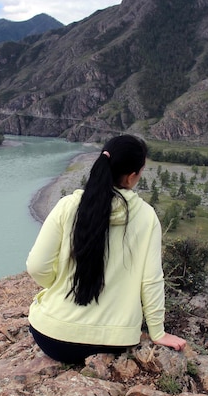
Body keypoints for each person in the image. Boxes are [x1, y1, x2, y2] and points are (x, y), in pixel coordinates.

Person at [26, 134, 186, 364]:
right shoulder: (146, 216)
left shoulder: (68, 205)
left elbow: (36, 266)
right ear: (132, 176)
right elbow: (151, 280)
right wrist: (157, 333)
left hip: (51, 338)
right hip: (112, 342)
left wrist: (59, 285)